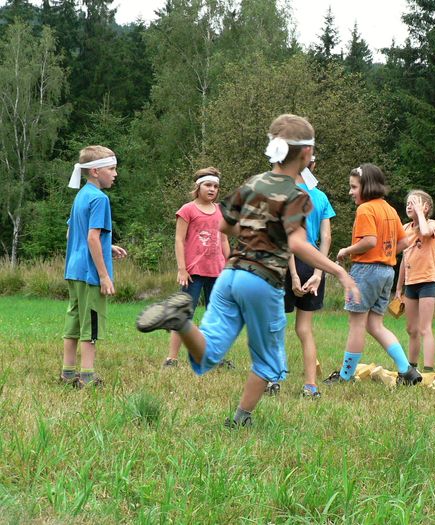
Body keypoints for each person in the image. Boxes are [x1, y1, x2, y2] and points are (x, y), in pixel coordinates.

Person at [136, 114, 360, 427]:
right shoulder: (296, 195)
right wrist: (338, 271)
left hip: (230, 275)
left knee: (208, 354)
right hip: (261, 280)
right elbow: (297, 243)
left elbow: (224, 226)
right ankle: (241, 418)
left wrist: (255, 229)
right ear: (307, 153)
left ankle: (181, 322)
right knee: (270, 362)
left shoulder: (252, 183)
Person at [324, 164, 422, 386]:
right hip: (387, 272)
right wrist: (385, 253)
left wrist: (346, 251)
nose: (350, 192)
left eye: (354, 187)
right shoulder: (389, 209)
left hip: (366, 271)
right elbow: (404, 242)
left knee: (357, 324)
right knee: (375, 325)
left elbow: (369, 241)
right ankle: (406, 370)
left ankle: (345, 376)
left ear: (366, 186)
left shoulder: (365, 209)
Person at [266, 155, 335, 398]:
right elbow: (326, 238)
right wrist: (318, 273)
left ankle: (273, 380)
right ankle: (310, 386)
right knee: (304, 329)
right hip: (313, 263)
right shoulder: (321, 196)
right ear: (312, 166)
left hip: (286, 264)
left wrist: (293, 275)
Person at [61, 145, 127, 388]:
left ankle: (68, 373)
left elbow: (72, 234)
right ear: (96, 171)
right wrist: (104, 275)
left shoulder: (81, 195)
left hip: (74, 269)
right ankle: (87, 378)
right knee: (91, 323)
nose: (115, 174)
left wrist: (107, 246)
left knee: (74, 321)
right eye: (112, 169)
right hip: (90, 274)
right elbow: (91, 238)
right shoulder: (100, 199)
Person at [162, 167, 230, 368]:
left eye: (215, 186)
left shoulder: (221, 211)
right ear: (198, 187)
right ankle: (172, 358)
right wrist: (182, 269)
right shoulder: (187, 210)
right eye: (208, 185)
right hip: (193, 272)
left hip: (217, 271)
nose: (212, 189)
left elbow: (224, 240)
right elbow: (179, 239)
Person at [395, 190, 435, 371]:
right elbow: (404, 258)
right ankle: (411, 368)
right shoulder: (405, 228)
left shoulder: (431, 224)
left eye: (414, 203)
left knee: (424, 328)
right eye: (408, 203)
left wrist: (420, 213)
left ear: (425, 207)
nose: (409, 206)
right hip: (410, 283)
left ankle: (428, 370)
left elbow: (426, 233)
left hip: (427, 281)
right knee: (411, 329)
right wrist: (399, 287)